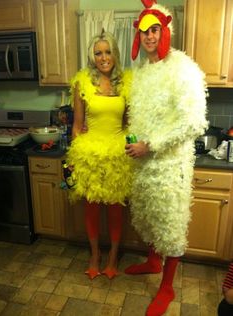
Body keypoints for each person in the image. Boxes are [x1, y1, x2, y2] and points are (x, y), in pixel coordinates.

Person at [124, 0, 208, 315]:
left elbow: (194, 122)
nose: (149, 36)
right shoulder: (143, 70)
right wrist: (135, 142)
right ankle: (152, 262)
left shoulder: (182, 68)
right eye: (144, 31)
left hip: (170, 166)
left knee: (170, 226)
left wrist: (152, 144)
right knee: (148, 218)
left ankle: (167, 286)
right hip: (144, 164)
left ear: (165, 30)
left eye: (154, 29)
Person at [66, 31, 132, 280]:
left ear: (115, 53)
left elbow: (127, 124)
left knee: (116, 210)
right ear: (92, 57)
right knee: (91, 208)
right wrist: (73, 160)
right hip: (90, 154)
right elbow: (76, 125)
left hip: (117, 154)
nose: (103, 57)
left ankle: (113, 257)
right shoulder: (82, 82)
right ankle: (94, 255)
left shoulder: (126, 83)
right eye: (98, 53)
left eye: (108, 51)